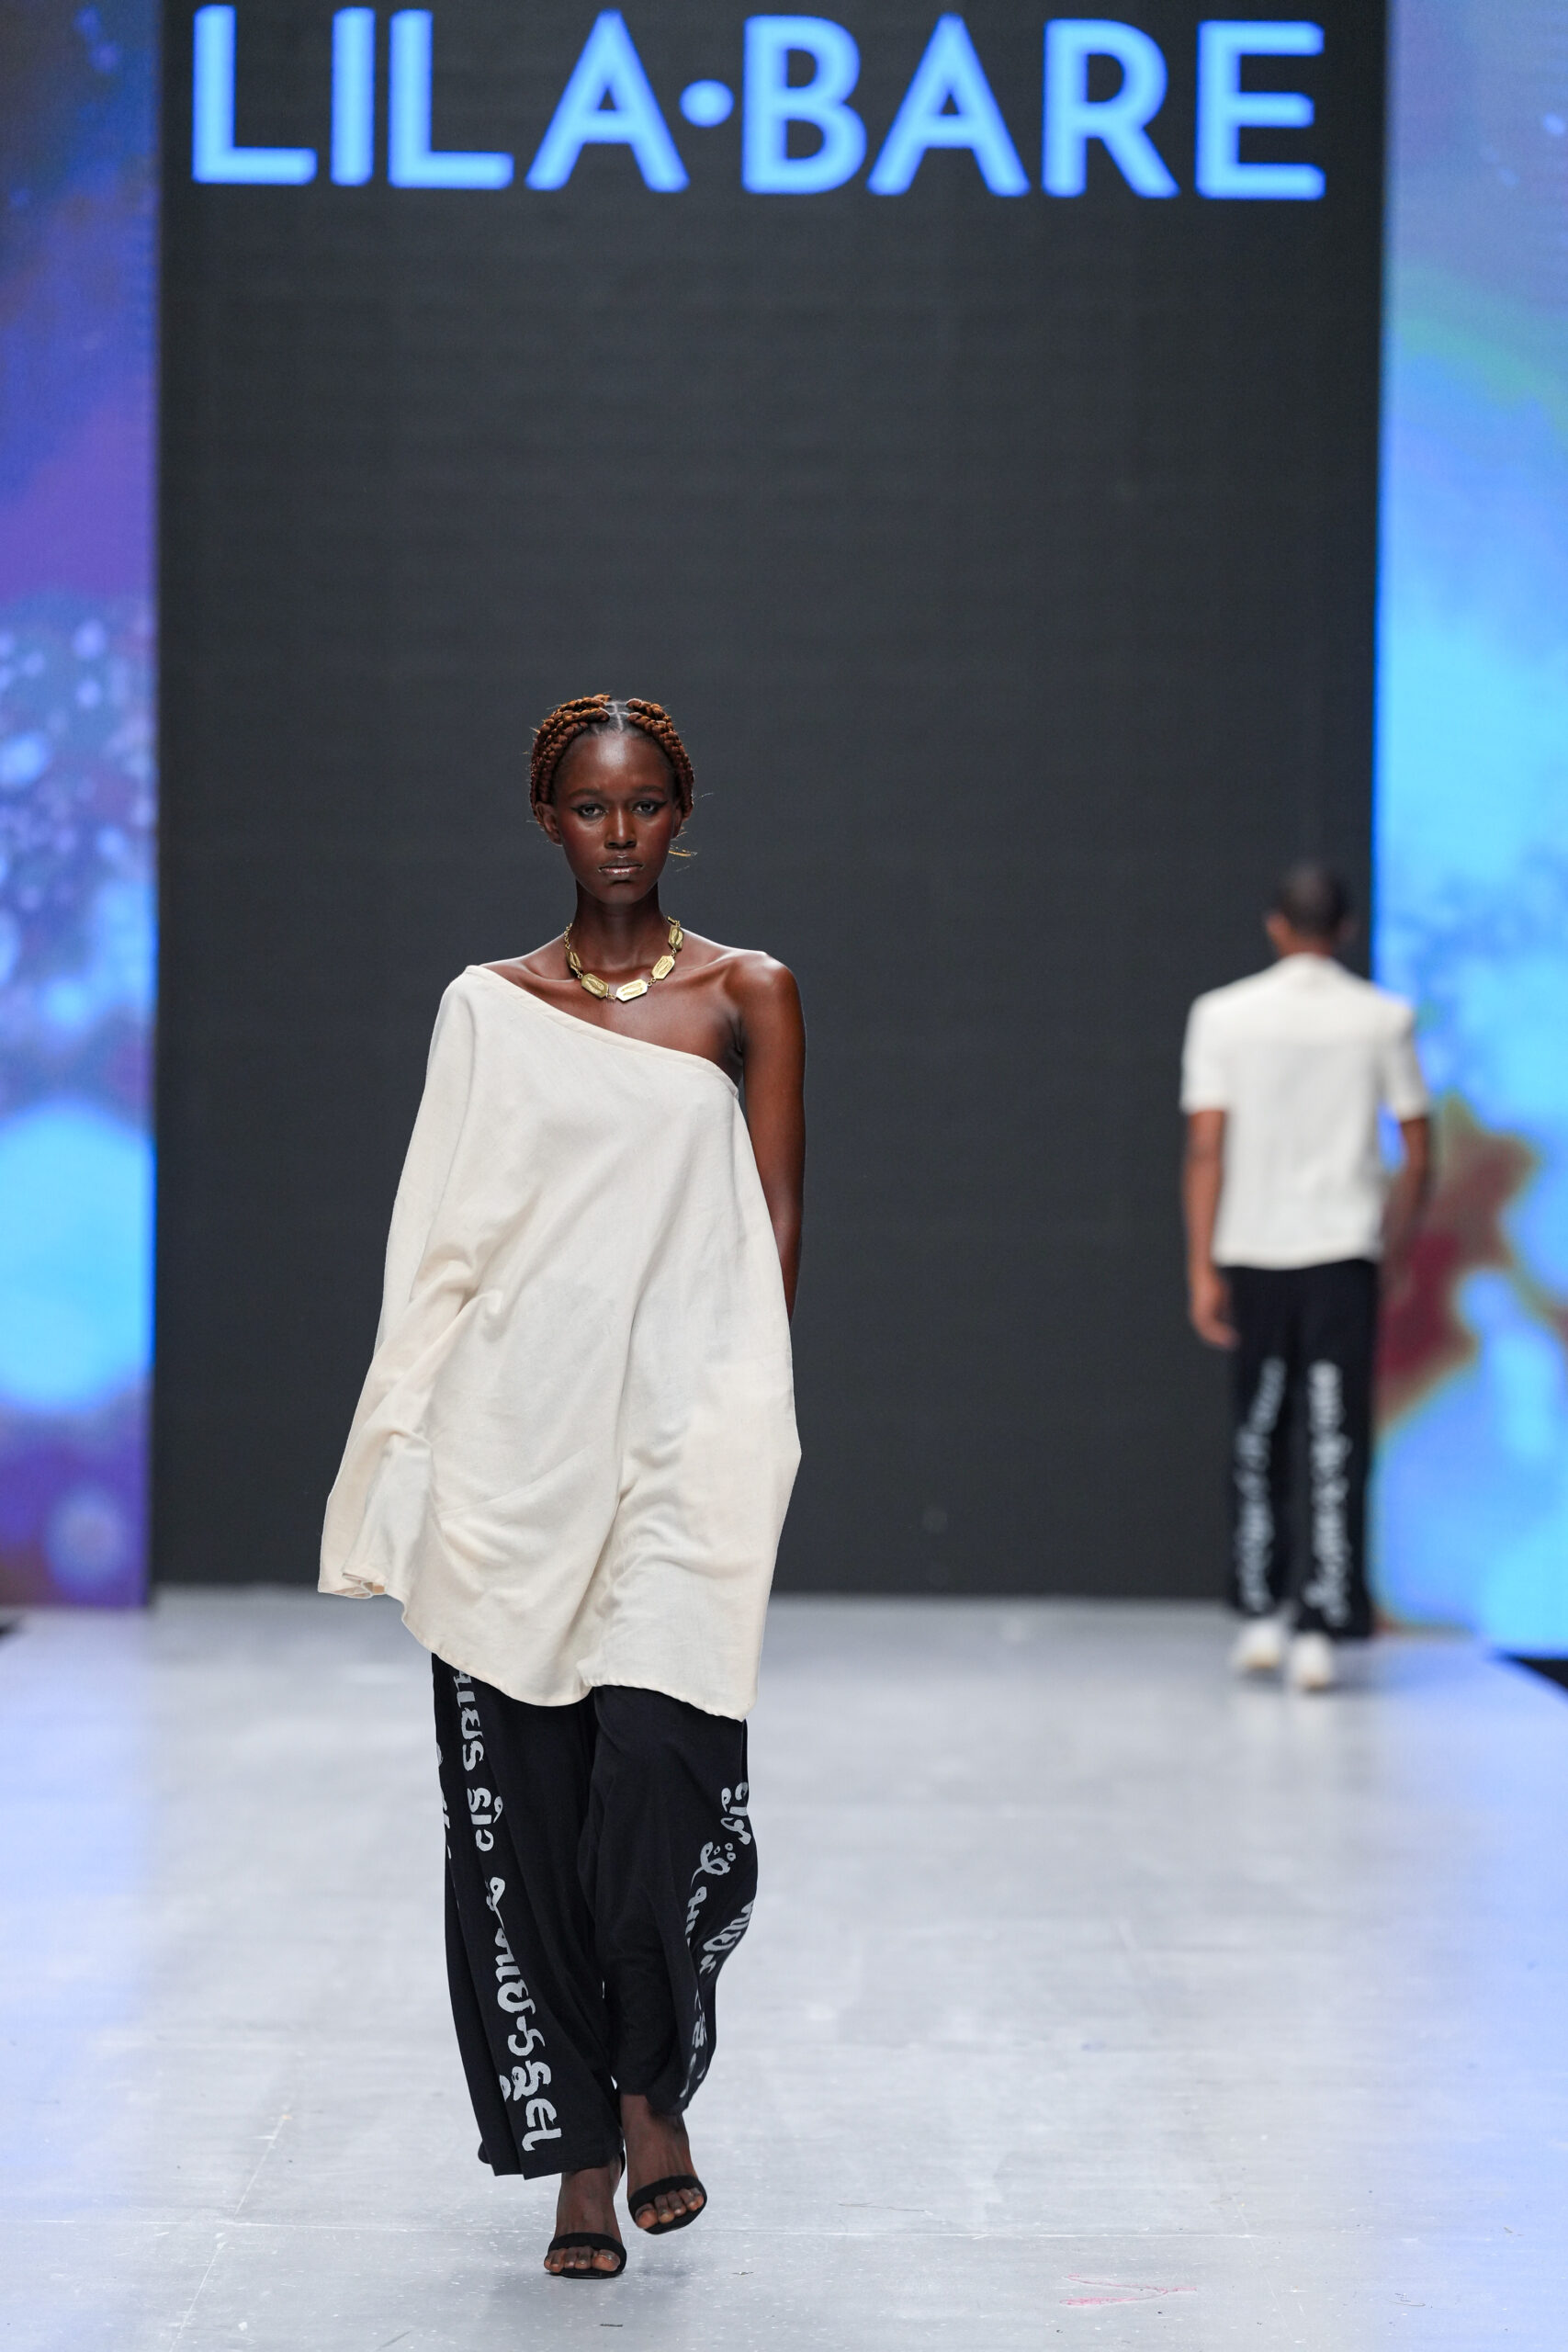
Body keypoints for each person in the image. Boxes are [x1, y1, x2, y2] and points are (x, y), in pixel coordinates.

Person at [320, 695, 804, 2278]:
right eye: (591, 806)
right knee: (519, 1818)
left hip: (677, 1444)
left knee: (658, 1774)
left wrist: (742, 1418)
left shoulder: (748, 993)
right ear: (547, 819)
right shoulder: (487, 1006)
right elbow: (438, 1243)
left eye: (645, 803)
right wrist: (394, 1457)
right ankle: (581, 2159)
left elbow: (774, 1227)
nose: (619, 832)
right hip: (510, 1448)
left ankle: (653, 2084)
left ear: (681, 812)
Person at [1180, 864, 1429, 1692]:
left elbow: (1206, 1145)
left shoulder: (1222, 1016)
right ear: (1346, 929)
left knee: (1258, 1436)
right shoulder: (1382, 1018)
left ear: (1275, 925)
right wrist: (1394, 1245)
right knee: (1333, 1438)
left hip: (1253, 1248)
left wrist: (1200, 1265)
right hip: (1341, 1251)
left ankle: (1261, 1611)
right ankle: (1321, 1619)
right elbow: (1417, 1146)